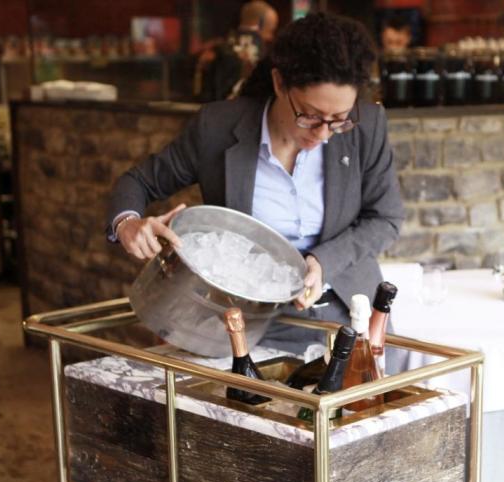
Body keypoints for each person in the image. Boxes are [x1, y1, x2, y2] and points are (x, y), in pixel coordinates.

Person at [109, 12, 404, 355]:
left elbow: (385, 219)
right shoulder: (218, 128)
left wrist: (321, 262)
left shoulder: (368, 125)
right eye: (309, 115)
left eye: (338, 121)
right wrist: (127, 223)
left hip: (349, 314)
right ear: (279, 83)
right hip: (244, 322)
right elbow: (138, 181)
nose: (323, 134)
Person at [195, 1, 279, 101]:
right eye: (270, 31)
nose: (271, 37)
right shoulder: (268, 56)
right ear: (260, 24)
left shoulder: (213, 48)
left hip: (212, 111)